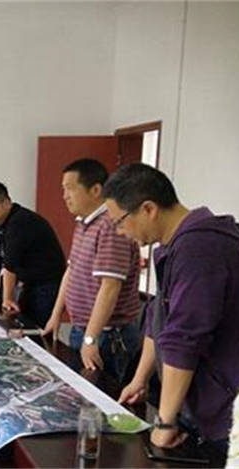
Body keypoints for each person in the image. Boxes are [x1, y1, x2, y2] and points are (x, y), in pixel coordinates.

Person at [105, 163, 239, 452]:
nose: (120, 232)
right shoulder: (174, 246)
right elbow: (158, 317)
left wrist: (164, 423)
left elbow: (184, 336)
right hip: (207, 400)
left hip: (233, 408)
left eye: (119, 222)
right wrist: (140, 380)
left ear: (148, 209)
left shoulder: (200, 249)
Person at [41, 159, 141, 383]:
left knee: (103, 396)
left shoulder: (111, 226)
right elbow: (71, 271)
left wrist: (91, 339)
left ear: (96, 190)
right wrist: (55, 316)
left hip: (107, 336)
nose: (64, 196)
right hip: (84, 329)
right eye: (63, 189)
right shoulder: (84, 223)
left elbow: (110, 286)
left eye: (70, 189)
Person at [0, 182, 65, 327]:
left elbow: (11, 263)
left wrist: (8, 299)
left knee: (37, 328)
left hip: (45, 282)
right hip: (23, 281)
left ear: (7, 203)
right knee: (13, 322)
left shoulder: (20, 221)